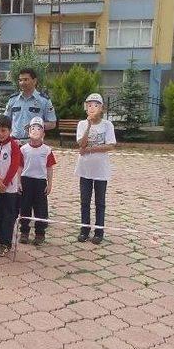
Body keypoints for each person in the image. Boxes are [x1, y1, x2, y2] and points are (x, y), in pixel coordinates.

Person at [76, 93, 116, 245]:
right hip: (84, 169)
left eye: (95, 105)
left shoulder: (107, 125)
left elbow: (111, 145)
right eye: (89, 105)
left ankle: (99, 231)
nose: (92, 108)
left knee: (100, 202)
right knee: (85, 201)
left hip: (101, 169)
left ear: (102, 108)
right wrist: (89, 125)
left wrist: (91, 149)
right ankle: (84, 230)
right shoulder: (82, 124)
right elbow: (81, 144)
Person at [19, 117, 57, 245]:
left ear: (43, 133)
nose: (35, 131)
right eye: (32, 128)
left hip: (40, 182)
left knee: (41, 209)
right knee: (25, 207)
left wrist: (49, 183)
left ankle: (40, 233)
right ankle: (24, 232)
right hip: (26, 180)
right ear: (28, 132)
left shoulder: (47, 150)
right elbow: (19, 167)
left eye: (38, 129)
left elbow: (49, 167)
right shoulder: (23, 149)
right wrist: (18, 182)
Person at [0, 115, 21, 257]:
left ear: (10, 130)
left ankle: (6, 243)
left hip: (10, 188)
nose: (1, 134)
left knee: (8, 215)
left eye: (4, 130)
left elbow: (14, 165)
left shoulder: (14, 145)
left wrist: (5, 182)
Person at [4, 68, 57, 143]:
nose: (22, 83)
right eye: (20, 80)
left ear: (34, 81)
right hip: (14, 142)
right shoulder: (13, 99)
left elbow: (52, 124)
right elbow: (5, 120)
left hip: (33, 143)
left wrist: (36, 125)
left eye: (26, 80)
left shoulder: (44, 100)